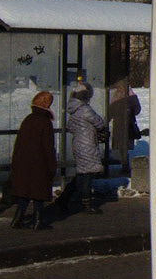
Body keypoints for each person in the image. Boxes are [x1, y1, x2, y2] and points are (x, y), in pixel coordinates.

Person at [9, 91, 58, 230]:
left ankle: (17, 219)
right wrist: (51, 167)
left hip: (23, 162)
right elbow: (48, 147)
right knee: (38, 193)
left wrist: (15, 162)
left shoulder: (28, 119)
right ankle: (38, 221)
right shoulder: (45, 122)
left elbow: (18, 144)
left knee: (24, 192)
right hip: (39, 164)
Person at [65, 82, 108, 214]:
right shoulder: (85, 109)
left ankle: (69, 199)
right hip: (87, 144)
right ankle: (86, 203)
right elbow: (99, 122)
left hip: (78, 144)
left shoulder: (74, 109)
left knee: (82, 173)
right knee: (87, 175)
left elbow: (70, 127)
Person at [108, 80, 141, 175]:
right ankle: (124, 164)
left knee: (124, 146)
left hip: (126, 125)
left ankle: (125, 165)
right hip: (120, 125)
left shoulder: (129, 97)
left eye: (121, 87)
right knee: (121, 146)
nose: (119, 89)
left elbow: (137, 110)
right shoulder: (118, 96)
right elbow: (110, 111)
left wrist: (128, 111)